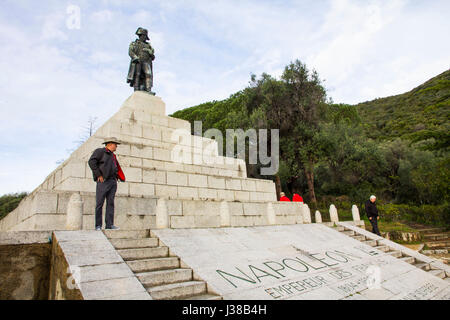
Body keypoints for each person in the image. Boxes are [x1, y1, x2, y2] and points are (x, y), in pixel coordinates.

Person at [88, 138, 126, 231]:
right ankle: (98, 225)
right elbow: (91, 162)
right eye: (115, 144)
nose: (116, 146)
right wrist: (98, 175)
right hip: (103, 181)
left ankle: (109, 224)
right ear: (110, 144)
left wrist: (118, 177)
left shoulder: (113, 156)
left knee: (110, 203)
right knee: (100, 203)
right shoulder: (100, 151)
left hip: (113, 181)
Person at [127, 27, 155, 95]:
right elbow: (130, 51)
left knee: (148, 74)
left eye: (145, 36)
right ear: (140, 35)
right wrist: (135, 57)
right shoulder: (134, 43)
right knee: (137, 75)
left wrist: (150, 52)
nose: (144, 37)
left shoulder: (148, 46)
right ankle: (136, 89)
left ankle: (148, 89)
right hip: (138, 61)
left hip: (146, 62)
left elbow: (153, 57)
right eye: (143, 36)